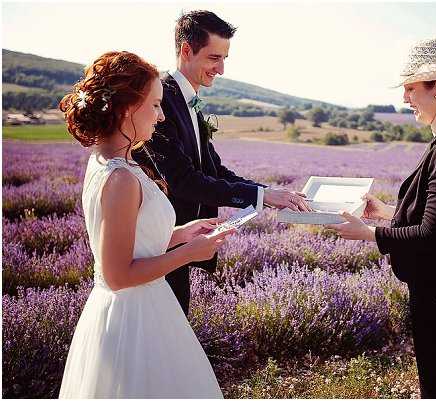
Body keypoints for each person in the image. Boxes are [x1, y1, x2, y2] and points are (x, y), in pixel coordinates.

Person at [58, 51, 230, 398]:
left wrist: (182, 234)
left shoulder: (114, 161)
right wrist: (188, 253)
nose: (162, 115)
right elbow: (118, 275)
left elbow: (133, 240)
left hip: (147, 307)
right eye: (154, 105)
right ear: (125, 110)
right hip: (132, 321)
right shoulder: (120, 178)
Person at [327, 38, 436, 398]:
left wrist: (369, 233)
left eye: (411, 88)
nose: (405, 98)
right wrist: (387, 212)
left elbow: (433, 235)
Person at [133, 10, 310, 316]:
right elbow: (184, 180)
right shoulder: (160, 100)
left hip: (179, 244)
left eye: (225, 58)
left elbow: (213, 170)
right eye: (214, 58)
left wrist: (268, 194)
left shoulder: (190, 101)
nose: (222, 69)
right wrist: (261, 196)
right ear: (186, 51)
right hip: (159, 245)